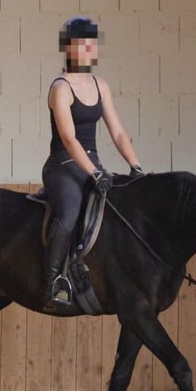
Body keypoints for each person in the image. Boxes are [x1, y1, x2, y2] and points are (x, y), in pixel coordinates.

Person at [41, 16, 144, 308]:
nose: (89, 50)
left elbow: (118, 131)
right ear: (70, 48)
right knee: (70, 214)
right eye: (83, 44)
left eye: (92, 44)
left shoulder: (101, 85)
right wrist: (95, 173)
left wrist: (135, 166)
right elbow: (69, 138)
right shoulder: (60, 88)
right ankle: (53, 281)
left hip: (93, 165)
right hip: (63, 165)